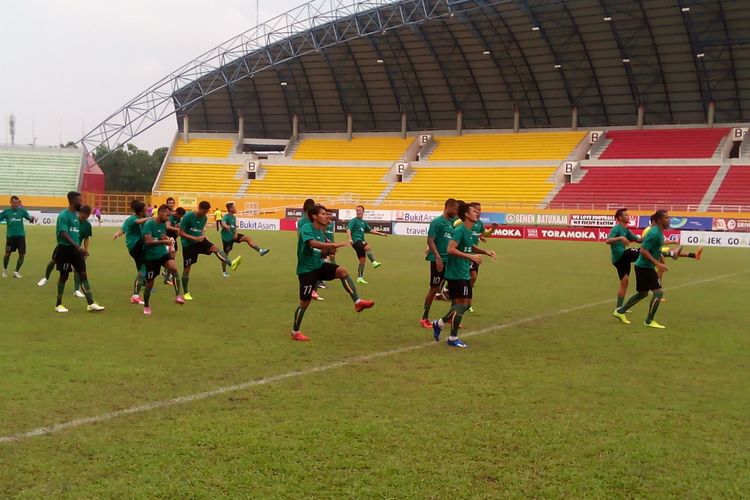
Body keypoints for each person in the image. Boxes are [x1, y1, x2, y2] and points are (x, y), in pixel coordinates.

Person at [291, 204, 374, 341]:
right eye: (323, 214)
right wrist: (333, 245)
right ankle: (295, 332)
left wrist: (329, 251)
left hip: (319, 266)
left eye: (326, 214)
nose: (326, 216)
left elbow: (322, 253)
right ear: (314, 216)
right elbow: (312, 244)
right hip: (307, 270)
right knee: (304, 303)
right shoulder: (307, 227)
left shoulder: (321, 232)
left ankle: (358, 302)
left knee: (342, 271)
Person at [432, 203, 494, 347]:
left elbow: (470, 246)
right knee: (462, 305)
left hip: (464, 272)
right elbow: (450, 249)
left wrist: (485, 252)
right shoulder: (460, 230)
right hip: (455, 274)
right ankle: (452, 338)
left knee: (466, 305)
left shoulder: (469, 230)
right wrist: (470, 257)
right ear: (466, 214)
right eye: (474, 211)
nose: (477, 213)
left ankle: (439, 323)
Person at [613, 209, 671, 329]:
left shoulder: (658, 232)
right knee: (658, 293)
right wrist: (658, 264)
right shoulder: (655, 233)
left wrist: (660, 256)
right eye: (666, 218)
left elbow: (653, 248)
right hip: (645, 267)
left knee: (643, 293)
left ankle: (620, 311)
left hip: (643, 266)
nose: (669, 220)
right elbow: (643, 250)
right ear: (659, 220)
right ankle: (649, 321)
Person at [52, 191, 105, 313]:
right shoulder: (63, 216)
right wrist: (77, 246)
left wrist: (81, 249)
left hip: (76, 251)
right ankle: (58, 304)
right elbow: (63, 233)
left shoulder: (76, 217)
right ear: (72, 201)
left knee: (83, 274)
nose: (80, 203)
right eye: (79, 201)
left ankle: (90, 303)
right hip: (65, 249)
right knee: (64, 276)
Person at [179, 200, 241, 300]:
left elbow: (201, 230)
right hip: (188, 245)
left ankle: (231, 263)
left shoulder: (204, 218)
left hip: (200, 241)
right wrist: (195, 238)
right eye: (205, 211)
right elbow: (180, 233)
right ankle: (186, 292)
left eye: (207, 212)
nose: (206, 213)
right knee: (187, 269)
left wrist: (204, 237)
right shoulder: (188, 216)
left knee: (215, 248)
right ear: (200, 208)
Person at [420, 198, 458, 328]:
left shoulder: (454, 223)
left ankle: (450, 317)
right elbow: (430, 240)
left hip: (451, 260)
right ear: (448, 207)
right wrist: (437, 258)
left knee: (455, 289)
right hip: (438, 260)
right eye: (455, 209)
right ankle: (424, 317)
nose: (456, 212)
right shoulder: (437, 222)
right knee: (434, 289)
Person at [141, 205, 185, 315]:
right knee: (149, 284)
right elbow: (148, 242)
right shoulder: (149, 224)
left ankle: (178, 295)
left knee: (174, 268)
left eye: (170, 216)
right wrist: (163, 242)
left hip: (162, 253)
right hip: (151, 257)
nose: (168, 218)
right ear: (160, 212)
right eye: (167, 215)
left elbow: (162, 236)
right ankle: (146, 305)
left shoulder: (163, 225)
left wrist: (168, 240)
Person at [606, 208, 643, 313]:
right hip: (620, 256)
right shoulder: (617, 228)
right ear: (620, 218)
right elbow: (608, 240)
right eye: (626, 215)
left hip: (622, 259)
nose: (628, 216)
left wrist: (649, 237)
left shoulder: (626, 230)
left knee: (624, 282)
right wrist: (620, 238)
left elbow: (638, 240)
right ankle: (666, 253)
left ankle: (619, 308)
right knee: (642, 252)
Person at [113, 200, 150, 304]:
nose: (147, 211)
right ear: (140, 212)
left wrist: (117, 234)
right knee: (147, 239)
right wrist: (153, 218)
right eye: (145, 210)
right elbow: (135, 223)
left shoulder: (140, 218)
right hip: (134, 245)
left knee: (142, 269)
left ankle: (138, 291)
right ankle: (135, 294)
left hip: (138, 248)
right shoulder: (133, 219)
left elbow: (123, 229)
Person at [219, 202, 270, 277]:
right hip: (227, 238)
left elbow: (235, 227)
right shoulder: (226, 216)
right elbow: (223, 222)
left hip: (233, 235)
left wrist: (236, 233)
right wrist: (226, 226)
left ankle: (260, 251)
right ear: (230, 209)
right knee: (225, 255)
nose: (236, 208)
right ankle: (224, 271)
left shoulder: (234, 217)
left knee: (247, 238)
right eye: (234, 207)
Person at [346, 205, 386, 284]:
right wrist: (350, 239)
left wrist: (380, 233)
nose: (358, 212)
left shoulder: (363, 222)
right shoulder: (354, 220)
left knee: (362, 260)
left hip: (360, 241)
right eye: (357, 210)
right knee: (367, 246)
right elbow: (348, 229)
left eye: (360, 210)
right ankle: (374, 262)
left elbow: (370, 230)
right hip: (356, 241)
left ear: (363, 212)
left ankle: (360, 277)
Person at [1, 195, 35, 278]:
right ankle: (5, 270)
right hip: (10, 236)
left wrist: (32, 219)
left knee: (22, 254)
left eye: (17, 203)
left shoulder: (22, 211)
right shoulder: (6, 212)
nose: (15, 204)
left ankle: (16, 272)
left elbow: (29, 219)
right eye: (14, 202)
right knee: (7, 254)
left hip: (21, 236)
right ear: (10, 202)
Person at [297, 198, 323, 301]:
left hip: (304, 249)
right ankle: (313, 291)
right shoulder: (307, 221)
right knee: (316, 267)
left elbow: (299, 236)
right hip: (311, 248)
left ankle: (312, 290)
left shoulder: (302, 220)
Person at [72, 206, 93, 298]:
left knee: (78, 269)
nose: (85, 217)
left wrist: (86, 250)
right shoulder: (73, 221)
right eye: (84, 215)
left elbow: (86, 238)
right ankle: (46, 277)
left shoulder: (87, 225)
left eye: (87, 216)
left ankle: (76, 290)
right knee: (54, 262)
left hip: (78, 249)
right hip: (66, 247)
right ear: (80, 213)